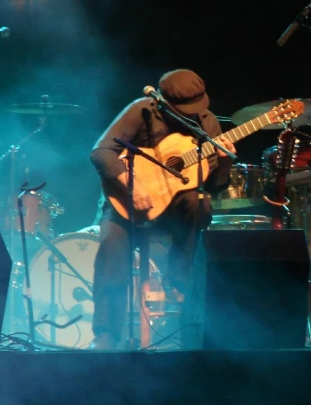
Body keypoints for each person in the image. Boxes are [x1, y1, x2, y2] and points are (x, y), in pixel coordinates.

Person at [88, 69, 235, 350]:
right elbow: (100, 152)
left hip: (173, 212)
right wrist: (132, 185)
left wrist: (225, 161)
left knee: (199, 202)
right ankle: (106, 334)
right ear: (164, 103)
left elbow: (215, 186)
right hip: (126, 204)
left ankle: (177, 285)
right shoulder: (141, 110)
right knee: (110, 246)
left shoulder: (209, 124)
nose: (193, 114)